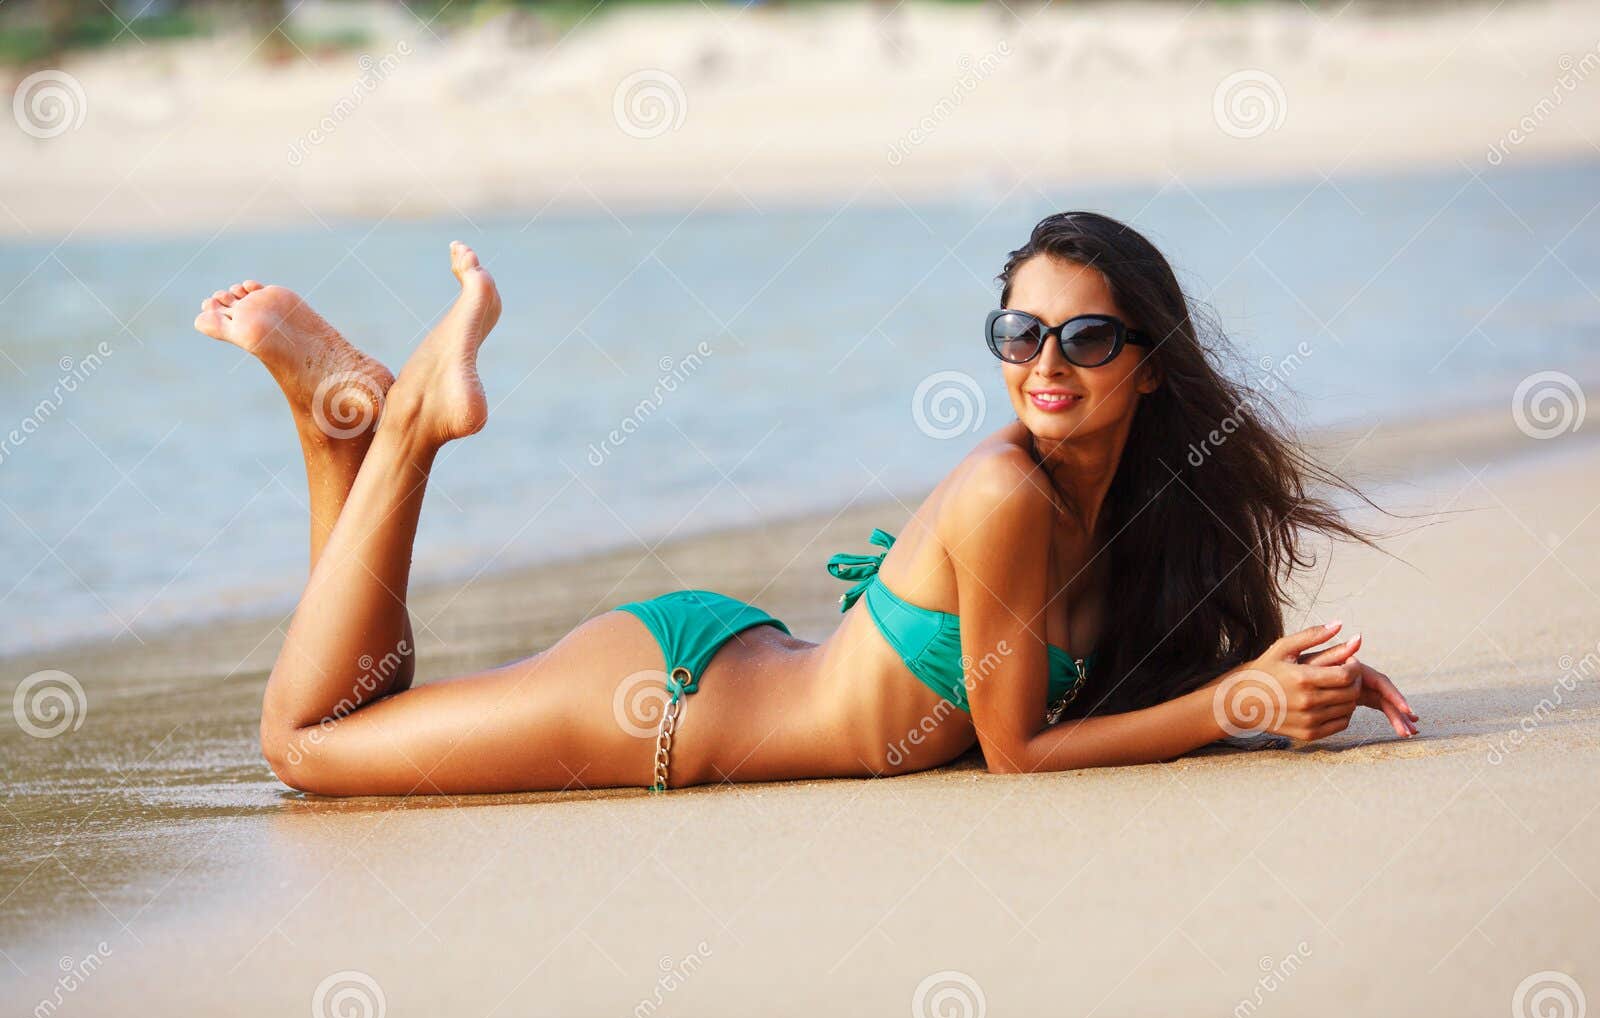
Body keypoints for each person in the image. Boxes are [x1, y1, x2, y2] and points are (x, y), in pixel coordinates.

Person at [193, 214, 1416, 797]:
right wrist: (1235, 699)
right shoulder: (1005, 492)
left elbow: (1118, 695)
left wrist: (1271, 683)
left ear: (1149, 363)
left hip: (732, 663)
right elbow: (1019, 753)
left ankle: (332, 418)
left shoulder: (1123, 511)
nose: (1048, 361)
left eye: (1087, 337)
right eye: (1021, 331)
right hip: (660, 711)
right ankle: (402, 418)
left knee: (354, 706)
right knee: (306, 748)